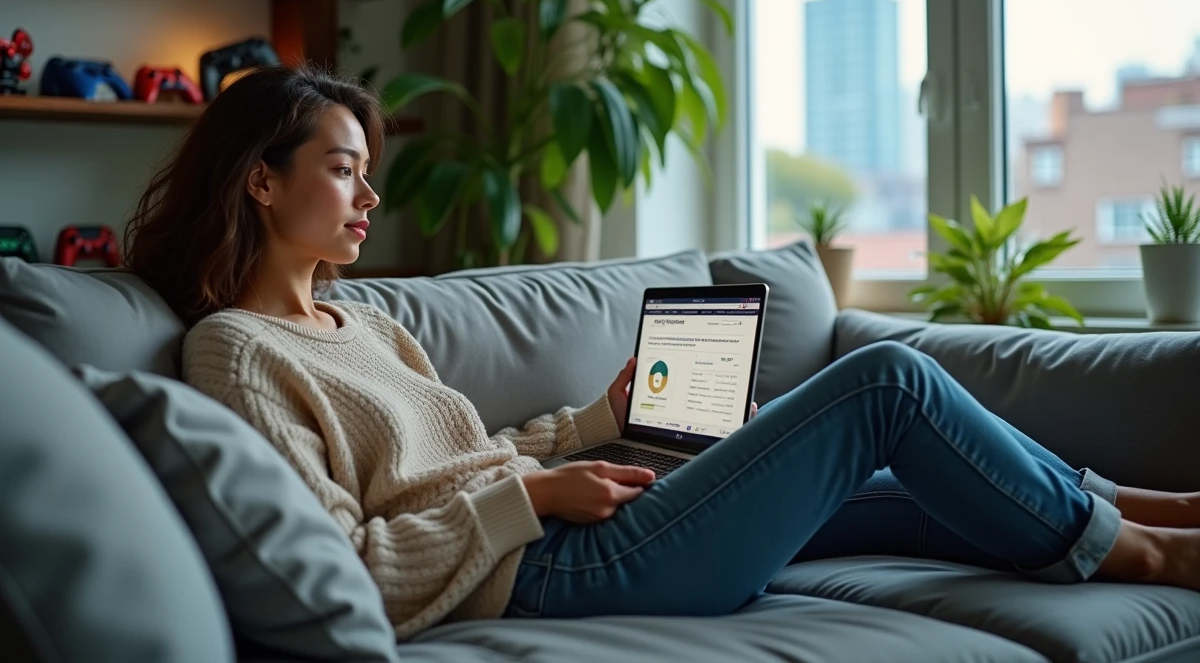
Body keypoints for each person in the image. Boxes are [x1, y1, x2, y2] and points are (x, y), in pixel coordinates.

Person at [126, 65, 1200, 642]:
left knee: (880, 476)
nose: (369, 196)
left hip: (560, 527)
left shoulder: (363, 323)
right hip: (544, 575)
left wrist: (592, 425)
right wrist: (535, 499)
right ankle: (1147, 556)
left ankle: (1152, 507)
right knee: (887, 381)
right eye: (343, 169)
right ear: (262, 181)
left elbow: (464, 452)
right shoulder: (237, 353)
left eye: (367, 172)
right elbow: (346, 565)